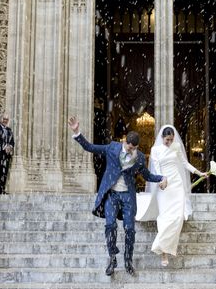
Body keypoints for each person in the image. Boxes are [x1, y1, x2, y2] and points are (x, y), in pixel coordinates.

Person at [68, 116, 167, 276]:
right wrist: (77, 132)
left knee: (130, 229)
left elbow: (147, 175)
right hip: (111, 194)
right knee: (110, 226)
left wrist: (161, 178)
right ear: (125, 142)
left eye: (134, 148)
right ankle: (112, 258)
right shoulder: (112, 148)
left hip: (128, 196)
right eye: (129, 147)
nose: (131, 150)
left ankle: (128, 260)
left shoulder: (140, 157)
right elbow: (90, 147)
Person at [136, 125, 205, 267]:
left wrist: (199, 172)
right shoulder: (155, 150)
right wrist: (161, 180)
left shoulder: (176, 146)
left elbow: (184, 163)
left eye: (171, 140)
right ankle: (164, 253)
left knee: (178, 217)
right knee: (165, 217)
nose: (169, 142)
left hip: (177, 185)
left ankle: (166, 246)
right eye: (167, 140)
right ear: (162, 138)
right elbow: (156, 167)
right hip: (164, 185)